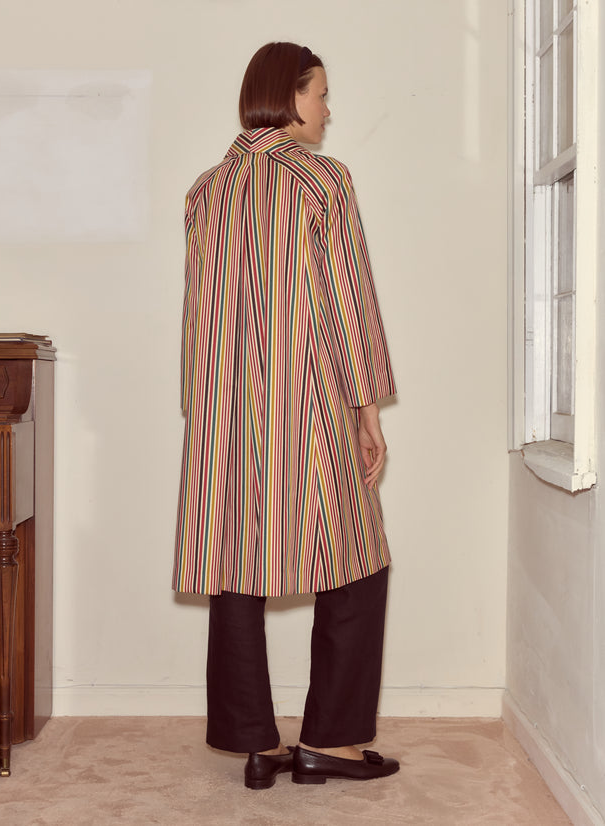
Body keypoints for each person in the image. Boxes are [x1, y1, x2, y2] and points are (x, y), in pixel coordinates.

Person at [173, 42, 398, 789]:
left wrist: (202, 409)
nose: (329, 110)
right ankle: (331, 741)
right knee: (357, 564)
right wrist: (366, 409)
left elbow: (196, 315)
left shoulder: (205, 190)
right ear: (289, 95)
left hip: (224, 416)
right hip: (308, 406)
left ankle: (253, 745)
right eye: (321, 94)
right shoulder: (323, 180)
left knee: (236, 569)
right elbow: (350, 301)